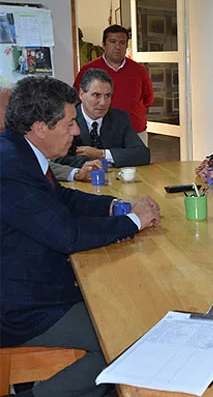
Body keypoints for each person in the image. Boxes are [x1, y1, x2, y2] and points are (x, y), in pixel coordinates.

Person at [0, 76, 161, 396]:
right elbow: (67, 235)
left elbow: (64, 200)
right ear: (40, 127)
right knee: (126, 338)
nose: (76, 131)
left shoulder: (20, 150)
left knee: (125, 307)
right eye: (71, 122)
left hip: (39, 283)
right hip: (23, 306)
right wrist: (133, 222)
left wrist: (119, 206)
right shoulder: (10, 164)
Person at [0, 76, 101, 182]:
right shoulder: (8, 159)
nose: (16, 112)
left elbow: (42, 165)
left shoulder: (17, 142)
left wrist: (75, 173)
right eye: (8, 107)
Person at [74, 25, 154, 145]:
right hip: (101, 133)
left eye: (122, 43)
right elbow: (76, 99)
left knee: (138, 162)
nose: (117, 47)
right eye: (112, 42)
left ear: (126, 46)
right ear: (104, 44)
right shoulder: (89, 69)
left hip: (135, 131)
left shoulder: (139, 70)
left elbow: (148, 99)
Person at [58, 68, 151, 168]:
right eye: (96, 95)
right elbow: (59, 159)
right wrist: (96, 164)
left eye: (107, 96)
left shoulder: (119, 118)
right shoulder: (67, 119)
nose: (103, 103)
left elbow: (143, 154)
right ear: (81, 95)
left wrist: (102, 154)